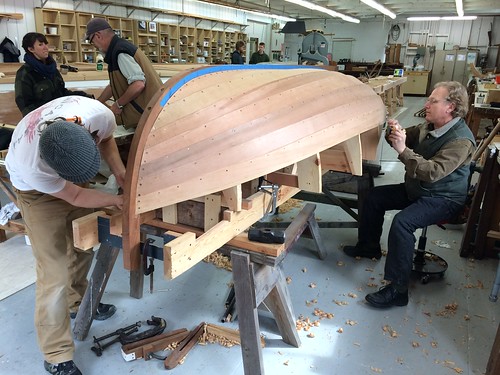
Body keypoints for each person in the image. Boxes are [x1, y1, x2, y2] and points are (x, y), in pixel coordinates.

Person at [5, 95, 126, 375]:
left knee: (84, 244)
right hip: (38, 196)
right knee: (54, 272)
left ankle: (78, 302)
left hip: (70, 176)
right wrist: (114, 201)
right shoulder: (32, 166)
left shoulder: (98, 114)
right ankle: (56, 355)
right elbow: (74, 195)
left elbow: (106, 139)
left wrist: (120, 174)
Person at [343, 81, 476, 309]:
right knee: (374, 198)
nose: (427, 104)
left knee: (403, 223)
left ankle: (398, 290)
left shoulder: (460, 141)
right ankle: (369, 247)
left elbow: (433, 172)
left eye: (433, 101)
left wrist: (403, 150)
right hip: (419, 189)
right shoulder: (430, 126)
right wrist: (394, 132)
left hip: (443, 198)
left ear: (450, 107)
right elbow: (404, 137)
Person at [85, 18, 163, 129]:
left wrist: (118, 104)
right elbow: (114, 86)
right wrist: (98, 103)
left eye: (91, 41)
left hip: (147, 116)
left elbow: (138, 84)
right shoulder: (116, 50)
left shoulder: (120, 52)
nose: (93, 45)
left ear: (98, 35)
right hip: (147, 114)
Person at [15, 32, 93, 117]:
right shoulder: (25, 73)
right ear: (31, 49)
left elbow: (62, 93)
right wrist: (42, 120)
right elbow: (25, 105)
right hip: (42, 121)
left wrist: (83, 96)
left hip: (60, 115)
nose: (46, 48)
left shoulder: (52, 69)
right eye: (40, 45)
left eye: (46, 44)